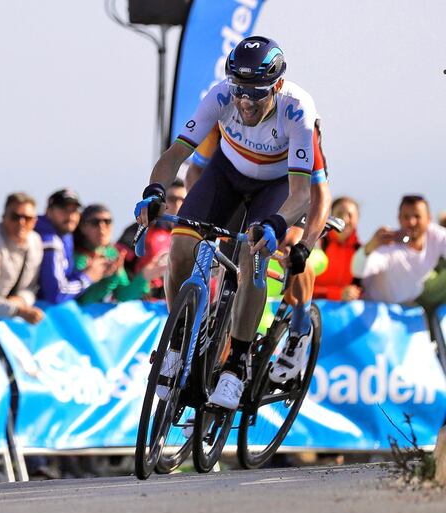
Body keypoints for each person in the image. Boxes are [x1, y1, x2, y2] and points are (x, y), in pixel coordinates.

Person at [135, 36, 331, 408]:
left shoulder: (298, 110)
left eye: (256, 93)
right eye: (240, 90)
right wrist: (155, 191)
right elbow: (177, 154)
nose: (245, 101)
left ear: (276, 86)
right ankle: (177, 344)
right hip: (227, 176)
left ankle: (237, 364)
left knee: (252, 259)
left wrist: (277, 224)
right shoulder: (221, 95)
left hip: (275, 186)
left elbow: (303, 194)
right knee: (180, 250)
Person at [352, 195, 446, 314]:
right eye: (406, 217)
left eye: (417, 216)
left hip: (409, 307)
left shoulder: (436, 236)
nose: (411, 222)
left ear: (428, 219)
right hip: (378, 310)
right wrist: (372, 244)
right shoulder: (389, 245)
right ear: (399, 219)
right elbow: (357, 270)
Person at [36, 188, 114, 304]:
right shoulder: (50, 241)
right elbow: (56, 294)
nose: (70, 216)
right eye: (64, 210)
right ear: (49, 211)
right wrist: (87, 277)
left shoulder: (65, 235)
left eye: (74, 210)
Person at [0, 192, 45, 324]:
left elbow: (31, 287)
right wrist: (17, 310)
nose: (21, 223)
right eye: (15, 217)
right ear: (4, 217)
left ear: (35, 221)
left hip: (10, 313)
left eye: (27, 218)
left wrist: (21, 300)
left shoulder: (35, 242)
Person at [75, 204, 161, 304]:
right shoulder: (76, 257)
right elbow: (82, 300)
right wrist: (110, 279)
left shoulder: (112, 254)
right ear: (83, 227)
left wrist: (144, 276)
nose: (102, 227)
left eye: (107, 222)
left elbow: (123, 295)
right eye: (95, 222)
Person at [118, 178, 184, 299]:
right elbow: (118, 264)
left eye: (183, 200)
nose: (178, 205)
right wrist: (141, 281)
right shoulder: (143, 226)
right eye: (172, 199)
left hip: (172, 306)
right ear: (163, 203)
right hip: (139, 306)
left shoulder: (190, 236)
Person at [313, 196, 362, 301]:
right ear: (331, 216)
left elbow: (363, 290)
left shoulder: (360, 251)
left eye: (350, 215)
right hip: (312, 311)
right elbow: (302, 286)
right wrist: (337, 294)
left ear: (357, 219)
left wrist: (353, 294)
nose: (344, 219)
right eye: (339, 214)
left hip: (346, 315)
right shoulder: (317, 244)